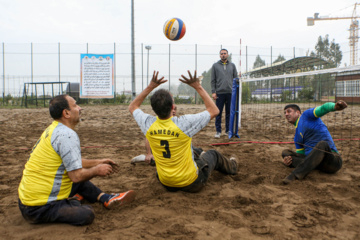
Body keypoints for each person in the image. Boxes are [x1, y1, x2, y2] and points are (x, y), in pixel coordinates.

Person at [18, 94, 136, 226]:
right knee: (86, 214)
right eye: (75, 105)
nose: (80, 108)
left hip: (27, 200)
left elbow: (71, 161)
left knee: (77, 175)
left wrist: (98, 161)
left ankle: (105, 198)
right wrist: (97, 170)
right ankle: (71, 201)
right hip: (38, 207)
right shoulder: (67, 135)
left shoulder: (53, 129)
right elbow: (76, 176)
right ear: (66, 113)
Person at [129, 70, 237, 193]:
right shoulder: (183, 124)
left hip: (166, 183)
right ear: (172, 107)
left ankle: (155, 158)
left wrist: (150, 87)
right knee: (213, 154)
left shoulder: (148, 123)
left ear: (153, 109)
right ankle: (233, 166)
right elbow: (214, 110)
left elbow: (132, 106)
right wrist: (198, 86)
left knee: (191, 148)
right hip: (192, 183)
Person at [281, 100, 347, 184]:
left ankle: (295, 175)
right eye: (285, 112)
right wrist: (288, 160)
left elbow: (323, 108)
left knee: (322, 144)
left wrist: (335, 106)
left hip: (332, 161)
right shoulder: (296, 137)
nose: (286, 114)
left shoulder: (306, 115)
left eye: (289, 111)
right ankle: (296, 164)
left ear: (298, 112)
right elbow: (303, 156)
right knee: (285, 152)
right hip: (315, 163)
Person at [211, 48, 238, 138]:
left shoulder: (232, 66)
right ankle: (218, 131)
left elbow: (236, 79)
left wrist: (236, 91)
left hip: (230, 93)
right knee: (218, 112)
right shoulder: (215, 66)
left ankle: (227, 130)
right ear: (219, 55)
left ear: (227, 55)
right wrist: (213, 92)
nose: (223, 55)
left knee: (229, 113)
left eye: (225, 53)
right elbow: (213, 80)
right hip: (219, 93)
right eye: (222, 53)